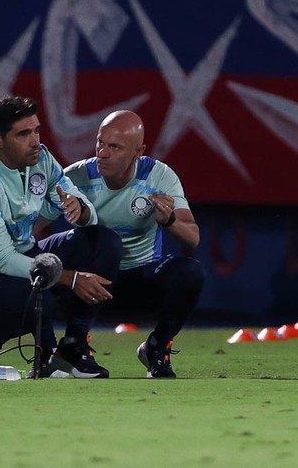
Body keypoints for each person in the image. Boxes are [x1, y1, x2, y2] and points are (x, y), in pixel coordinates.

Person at [0, 95, 123, 378]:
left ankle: (71, 349)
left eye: (36, 130)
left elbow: (83, 208)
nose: (35, 140)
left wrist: (82, 210)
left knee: (104, 242)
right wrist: (72, 278)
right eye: (24, 134)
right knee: (43, 297)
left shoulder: (41, 159)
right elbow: (2, 259)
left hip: (25, 255)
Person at [60, 110, 204, 378]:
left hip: (138, 283)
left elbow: (192, 237)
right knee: (83, 249)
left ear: (139, 151)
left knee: (190, 272)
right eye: (100, 142)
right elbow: (31, 227)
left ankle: (157, 347)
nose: (103, 152)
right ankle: (70, 345)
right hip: (86, 288)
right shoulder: (75, 177)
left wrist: (170, 219)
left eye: (114, 147)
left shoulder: (159, 177)